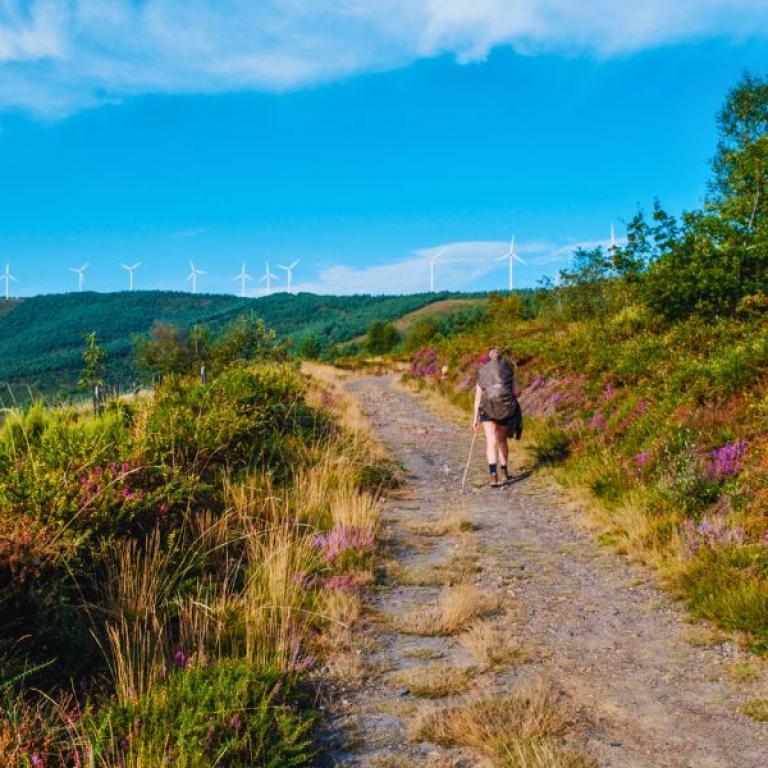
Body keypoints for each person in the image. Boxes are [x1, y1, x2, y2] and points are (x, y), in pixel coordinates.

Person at [473, 348, 520, 487]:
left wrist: (475, 418)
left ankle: (493, 476)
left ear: (488, 359)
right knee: (502, 440)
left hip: (487, 409)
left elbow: (478, 398)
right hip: (504, 409)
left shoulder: (482, 371)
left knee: (490, 441)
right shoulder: (508, 370)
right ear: (501, 358)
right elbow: (517, 392)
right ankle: (504, 472)